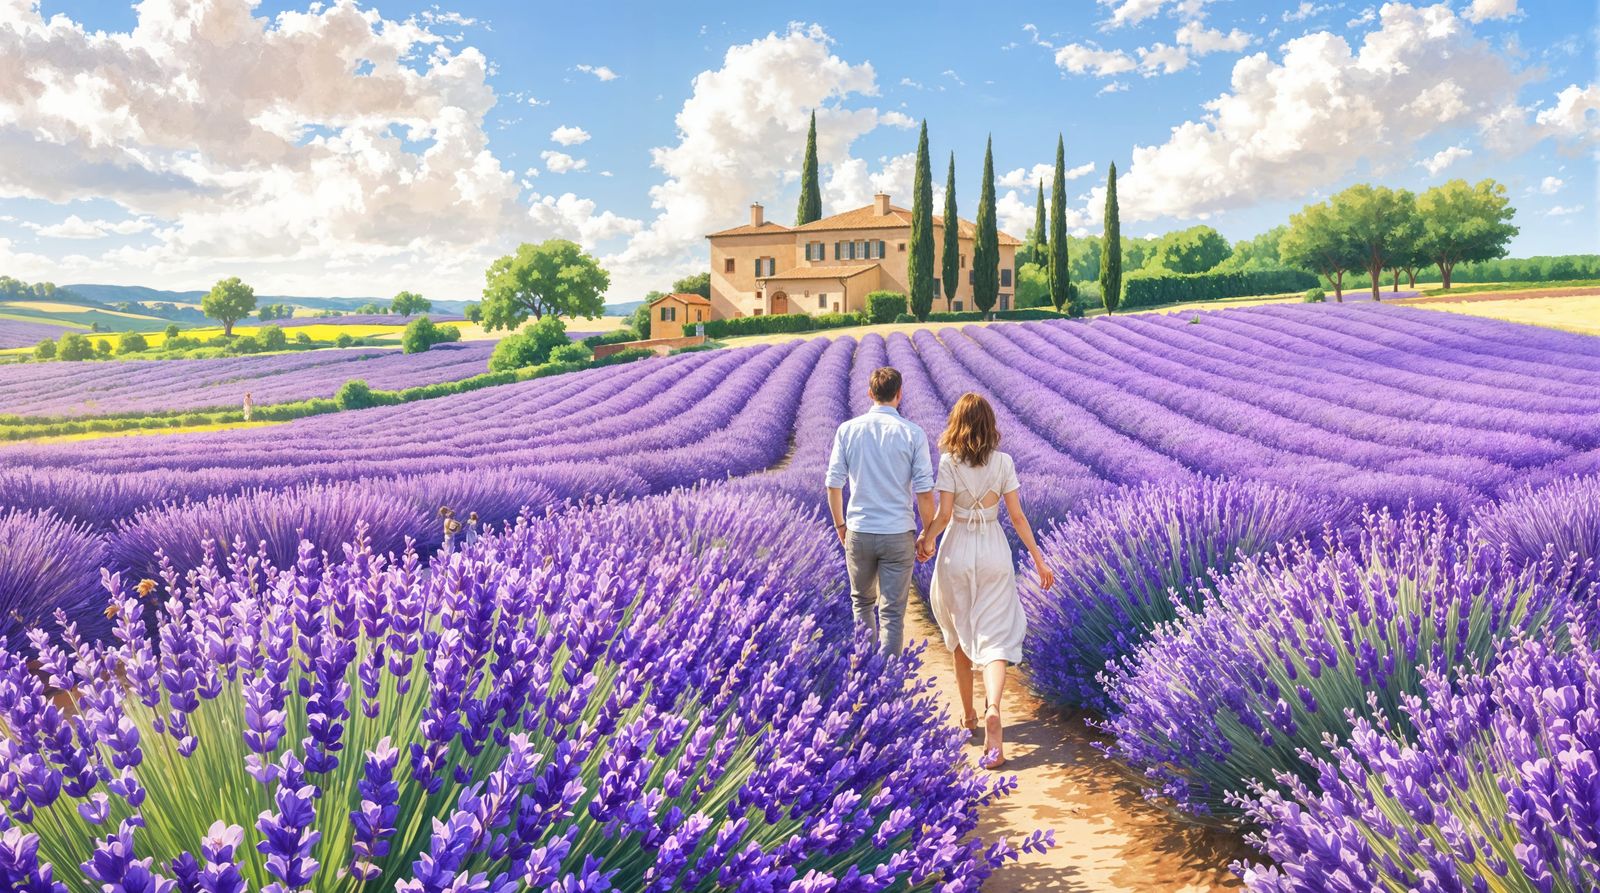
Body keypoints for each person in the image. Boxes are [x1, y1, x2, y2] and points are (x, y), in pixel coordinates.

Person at [917, 392, 1054, 771]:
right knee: (995, 638)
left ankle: (969, 716)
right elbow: (1018, 517)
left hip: (957, 551)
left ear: (957, 424)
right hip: (993, 551)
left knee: (960, 633)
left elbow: (944, 515)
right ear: (989, 424)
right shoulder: (1004, 462)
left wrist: (926, 539)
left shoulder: (949, 462)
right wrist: (1039, 559)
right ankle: (994, 707)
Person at [826, 367, 936, 655]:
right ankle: (889, 677)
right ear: (899, 394)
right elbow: (925, 492)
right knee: (892, 613)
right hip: (898, 533)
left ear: (869, 393)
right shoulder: (913, 434)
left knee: (862, 604)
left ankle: (864, 671)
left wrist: (840, 525)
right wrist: (928, 535)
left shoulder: (847, 430)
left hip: (859, 530)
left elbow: (833, 484)